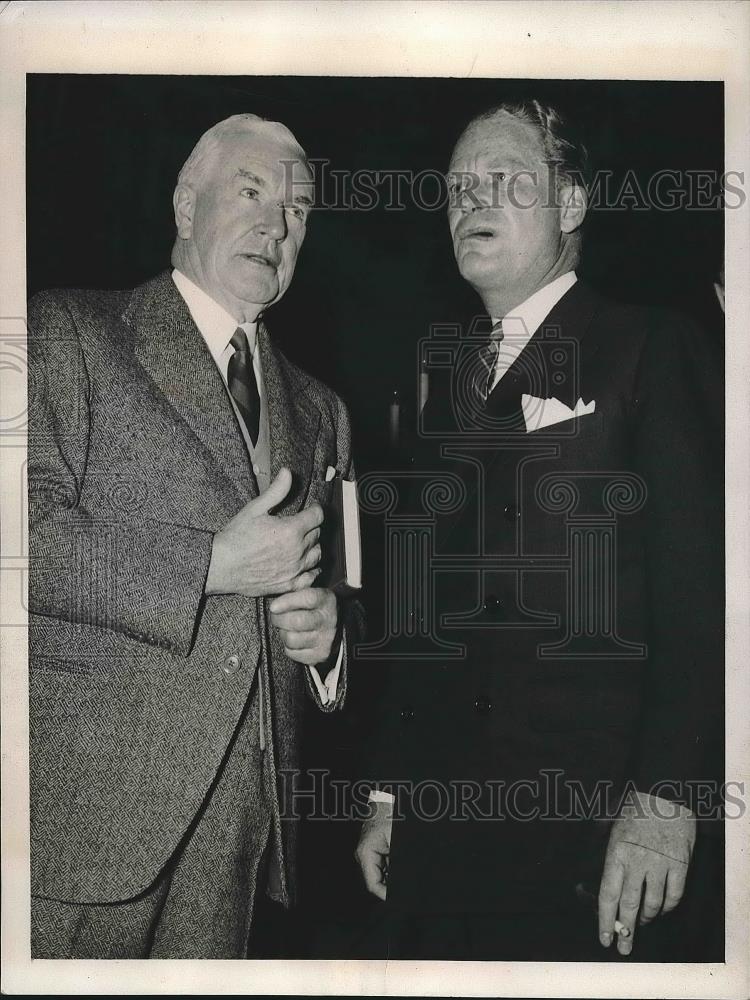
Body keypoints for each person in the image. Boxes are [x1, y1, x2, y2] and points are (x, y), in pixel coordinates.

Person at [355, 100, 723, 961]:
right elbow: (422, 616)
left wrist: (668, 799)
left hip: (594, 838)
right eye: (455, 189)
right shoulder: (441, 385)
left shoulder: (653, 346)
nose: (470, 201)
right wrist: (386, 792)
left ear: (573, 204)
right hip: (448, 838)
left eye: (503, 179)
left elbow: (706, 593)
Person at [28, 113, 359, 958]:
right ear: (186, 204)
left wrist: (326, 644)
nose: (275, 223)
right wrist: (212, 565)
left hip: (242, 830)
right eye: (251, 191)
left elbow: (332, 598)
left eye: (298, 209)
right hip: (87, 820)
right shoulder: (64, 331)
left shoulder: (322, 410)